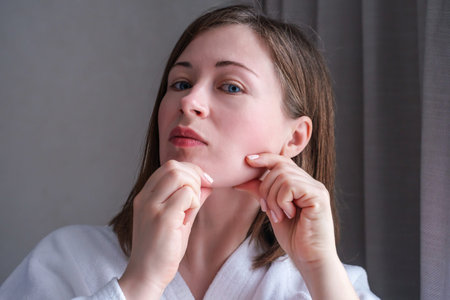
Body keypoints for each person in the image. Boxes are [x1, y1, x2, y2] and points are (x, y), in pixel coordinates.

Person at [0, 5, 379, 300]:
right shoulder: (65, 259)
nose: (190, 101)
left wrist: (319, 270)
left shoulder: (332, 284)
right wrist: (139, 284)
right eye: (180, 83)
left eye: (231, 87)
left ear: (295, 137)